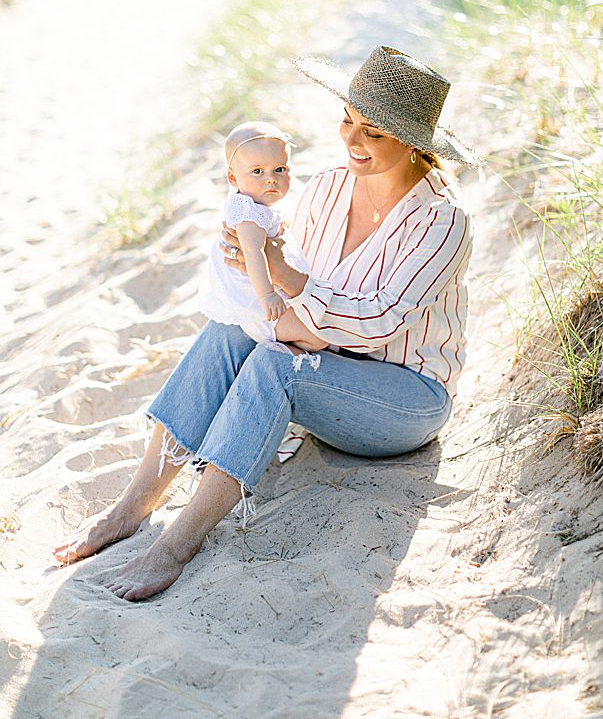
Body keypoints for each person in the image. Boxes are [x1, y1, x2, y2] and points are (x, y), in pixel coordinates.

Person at [52, 46, 477, 603]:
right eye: (347, 121)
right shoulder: (325, 188)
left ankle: (176, 545)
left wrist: (284, 283)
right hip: (323, 357)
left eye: (373, 132)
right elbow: (287, 280)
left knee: (278, 363)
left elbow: (376, 322)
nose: (352, 141)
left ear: (413, 142)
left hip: (403, 395)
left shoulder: (443, 219)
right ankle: (131, 507)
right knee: (231, 327)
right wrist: (249, 262)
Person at [197, 121, 316, 348]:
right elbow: (253, 252)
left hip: (262, 304)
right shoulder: (248, 214)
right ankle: (282, 350)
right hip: (259, 307)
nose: (270, 178)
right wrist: (268, 296)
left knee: (314, 334)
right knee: (317, 338)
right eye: (257, 171)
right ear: (232, 178)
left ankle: (286, 347)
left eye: (280, 169)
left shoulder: (253, 203)